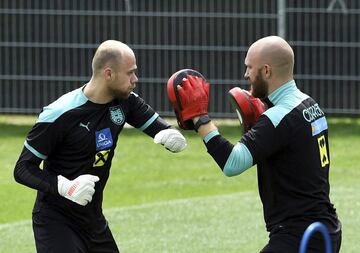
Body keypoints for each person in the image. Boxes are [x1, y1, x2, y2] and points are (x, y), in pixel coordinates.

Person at [169, 36, 342, 253]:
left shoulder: (279, 117)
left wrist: (200, 119)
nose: (246, 74)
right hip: (324, 230)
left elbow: (233, 163)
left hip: (298, 237)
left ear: (266, 71)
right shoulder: (309, 104)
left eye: (250, 67)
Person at [13, 40, 187, 253]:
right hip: (56, 221)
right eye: (130, 73)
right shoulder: (60, 114)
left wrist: (171, 136)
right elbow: (22, 169)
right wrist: (65, 187)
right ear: (108, 74)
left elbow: (159, 128)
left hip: (93, 219)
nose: (135, 80)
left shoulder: (126, 102)